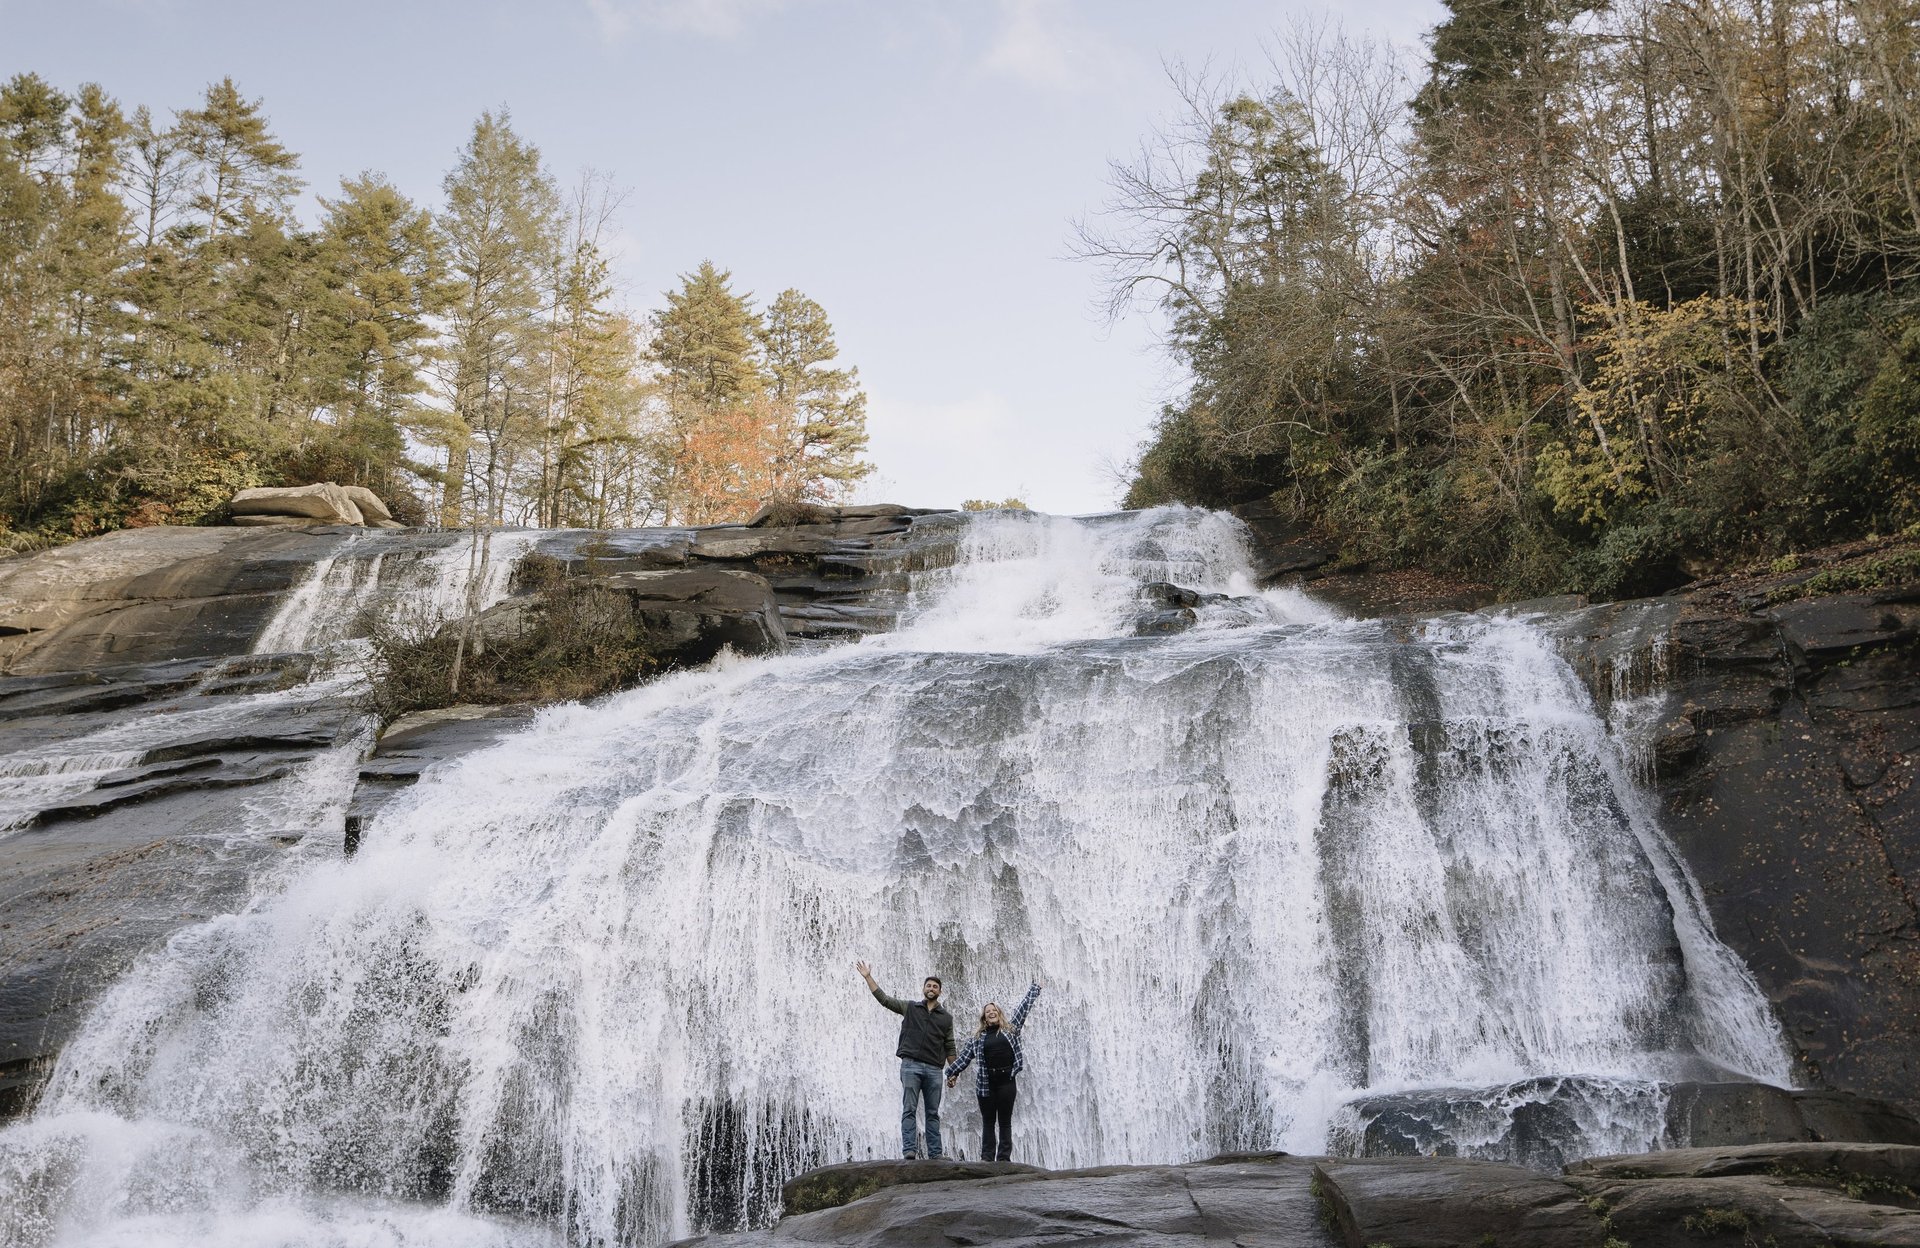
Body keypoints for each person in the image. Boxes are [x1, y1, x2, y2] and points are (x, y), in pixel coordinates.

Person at [857, 959, 956, 1159]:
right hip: (911, 1065)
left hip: (935, 1070)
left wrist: (953, 1071)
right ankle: (909, 1151)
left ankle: (935, 1154)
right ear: (923, 989)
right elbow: (885, 1000)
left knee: (932, 1113)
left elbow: (950, 1046)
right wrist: (868, 977)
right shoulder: (910, 1007)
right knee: (909, 1109)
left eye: (935, 987)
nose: (931, 988)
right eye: (928, 985)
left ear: (939, 992)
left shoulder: (946, 1017)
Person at [945, 980, 1042, 1162]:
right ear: (984, 1018)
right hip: (986, 1084)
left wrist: (1035, 989)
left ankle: (1004, 1158)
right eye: (988, 1011)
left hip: (1007, 1082)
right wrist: (951, 1073)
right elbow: (964, 1058)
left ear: (999, 1014)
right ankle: (987, 1158)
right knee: (988, 1122)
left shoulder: (1011, 1030)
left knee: (1005, 1121)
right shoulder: (977, 1038)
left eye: (994, 1010)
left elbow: (1023, 1009)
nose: (991, 1013)